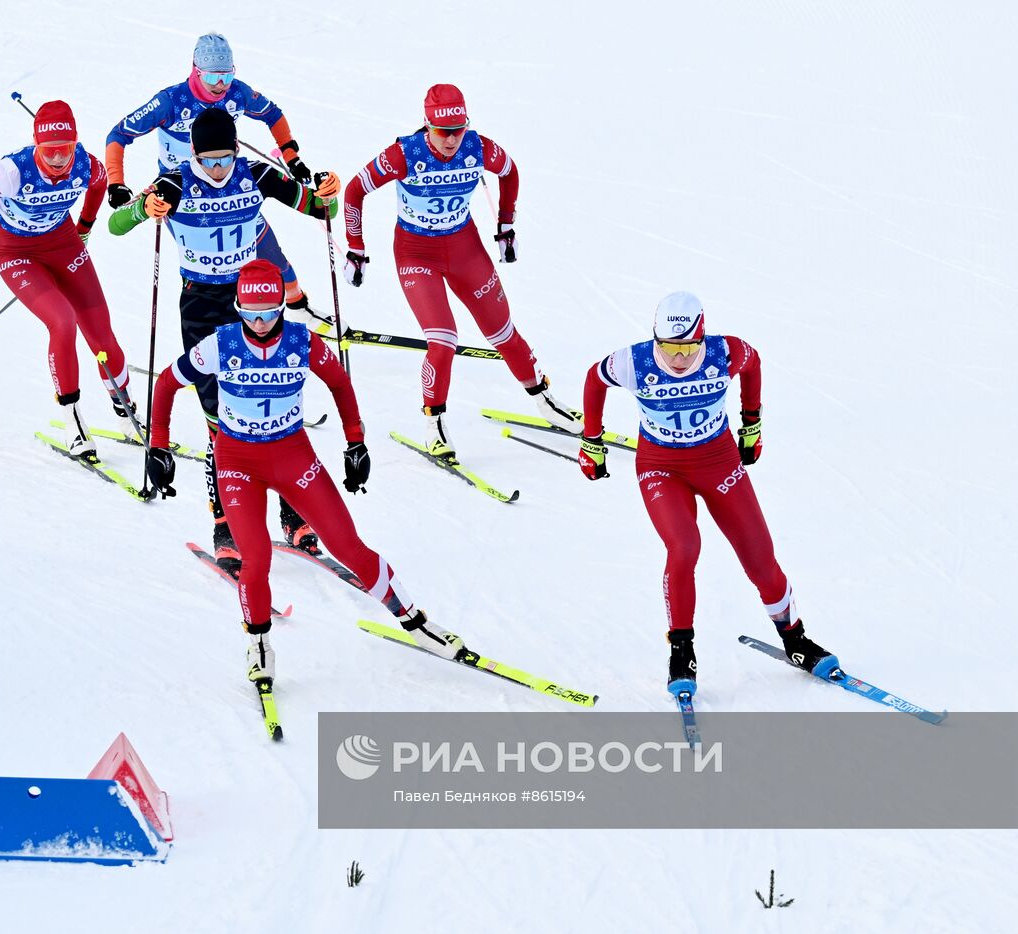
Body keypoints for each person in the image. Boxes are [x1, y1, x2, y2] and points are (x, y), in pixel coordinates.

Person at [144, 259, 464, 682]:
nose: (260, 324)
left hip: (293, 455)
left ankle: (415, 621)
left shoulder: (303, 342)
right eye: (250, 314)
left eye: (270, 313)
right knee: (255, 560)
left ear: (282, 307)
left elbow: (340, 384)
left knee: (348, 546)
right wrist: (159, 446)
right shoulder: (219, 345)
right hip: (237, 462)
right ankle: (259, 644)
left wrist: (355, 442)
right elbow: (166, 383)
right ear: (237, 307)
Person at [109, 108, 340, 569]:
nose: (218, 170)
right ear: (193, 153)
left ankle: (291, 514)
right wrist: (142, 207)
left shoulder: (255, 174)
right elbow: (116, 224)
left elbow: (320, 208)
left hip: (254, 300)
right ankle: (225, 522)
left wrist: (329, 194)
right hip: (202, 306)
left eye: (225, 159)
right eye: (209, 160)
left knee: (271, 407)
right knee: (222, 418)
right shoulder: (174, 184)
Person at [577, 291, 837, 696]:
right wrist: (591, 440)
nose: (678, 359)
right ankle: (681, 650)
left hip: (718, 462)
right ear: (656, 339)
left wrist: (752, 422)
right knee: (684, 547)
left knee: (760, 558)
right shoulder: (634, 361)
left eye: (688, 348)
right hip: (661, 467)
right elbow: (595, 380)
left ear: (703, 336)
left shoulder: (725, 352)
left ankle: (795, 640)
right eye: (669, 348)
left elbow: (754, 364)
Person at [341, 83, 581, 461]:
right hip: (417, 252)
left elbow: (511, 172)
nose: (452, 140)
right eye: (442, 132)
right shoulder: (404, 153)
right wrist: (356, 248)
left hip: (464, 248)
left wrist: (506, 225)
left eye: (458, 130)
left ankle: (544, 401)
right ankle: (433, 422)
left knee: (504, 332)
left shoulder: (478, 147)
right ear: (427, 126)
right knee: (443, 339)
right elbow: (354, 191)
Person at [0, 100, 133, 458]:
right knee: (62, 321)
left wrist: (85, 227)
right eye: (50, 151)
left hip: (62, 244)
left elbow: (99, 185)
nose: (59, 158)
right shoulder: (11, 172)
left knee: (100, 331)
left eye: (66, 149)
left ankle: (126, 412)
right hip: (16, 252)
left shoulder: (85, 163)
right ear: (36, 145)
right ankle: (73, 421)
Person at [104, 32, 321, 316]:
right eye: (211, 78)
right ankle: (214, 328)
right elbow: (118, 134)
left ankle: (298, 306)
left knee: (268, 253)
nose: (220, 85)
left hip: (229, 182)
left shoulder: (238, 94)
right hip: (179, 190)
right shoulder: (171, 101)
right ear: (195, 71)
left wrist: (291, 156)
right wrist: (116, 183)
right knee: (212, 262)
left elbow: (273, 114)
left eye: (227, 76)